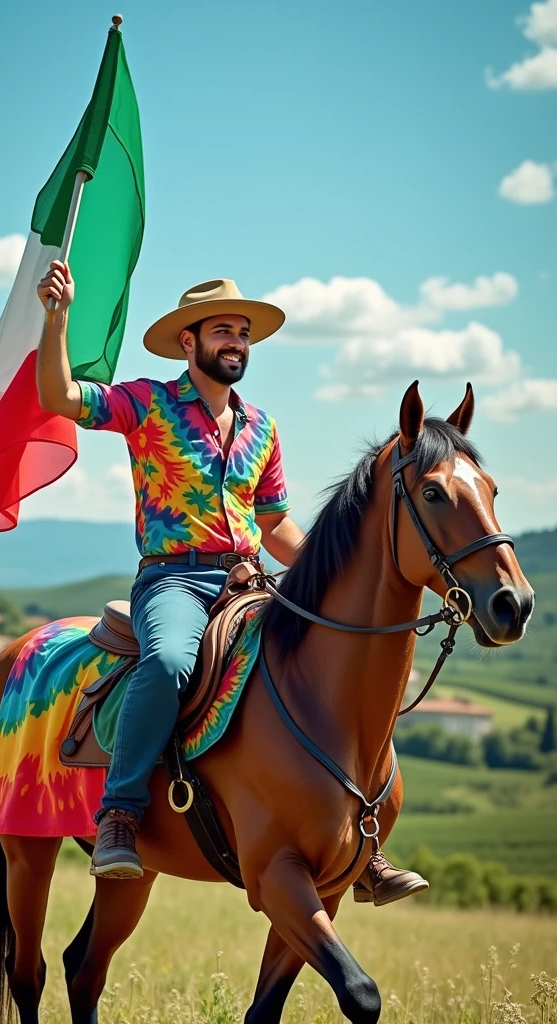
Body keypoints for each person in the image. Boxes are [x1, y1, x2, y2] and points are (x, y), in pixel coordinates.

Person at [36, 262, 428, 906]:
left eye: (243, 333)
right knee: (166, 662)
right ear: (188, 342)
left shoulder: (262, 427)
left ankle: (359, 845)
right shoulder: (147, 403)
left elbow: (273, 522)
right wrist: (57, 319)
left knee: (334, 671)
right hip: (175, 581)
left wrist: (327, 578)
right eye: (223, 331)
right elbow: (61, 397)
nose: (237, 343)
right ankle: (121, 814)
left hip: (252, 579)